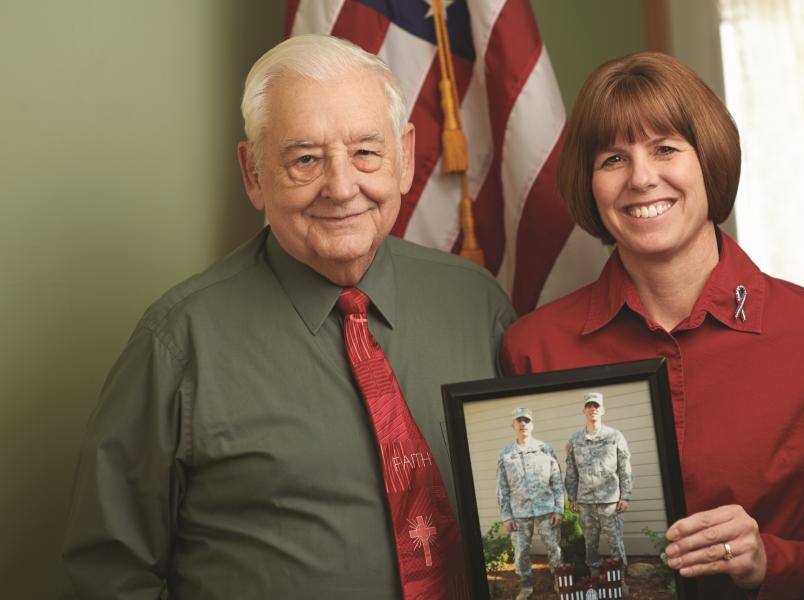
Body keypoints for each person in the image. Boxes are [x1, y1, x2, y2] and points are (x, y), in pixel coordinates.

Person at [59, 35, 516, 599]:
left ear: (404, 158)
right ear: (253, 173)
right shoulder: (178, 342)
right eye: (305, 159)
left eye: (366, 153)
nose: (342, 186)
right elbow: (107, 577)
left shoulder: (477, 305)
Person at [500, 52, 804, 599]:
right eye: (612, 159)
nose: (642, 178)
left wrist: (772, 561)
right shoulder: (533, 347)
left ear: (709, 162)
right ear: (590, 184)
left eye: (666, 149)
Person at [496, 407, 564, 599]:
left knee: (553, 547)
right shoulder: (506, 454)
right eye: (519, 420)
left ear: (532, 424)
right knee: (521, 550)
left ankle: (559, 580)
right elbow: (502, 488)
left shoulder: (545, 449)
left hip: (546, 509)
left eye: (526, 420)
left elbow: (557, 482)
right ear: (513, 425)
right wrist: (506, 516)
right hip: (519, 513)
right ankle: (526, 585)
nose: (523, 424)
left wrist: (559, 510)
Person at [564, 392, 632, 581]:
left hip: (610, 502)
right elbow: (571, 472)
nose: (593, 409)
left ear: (602, 410)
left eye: (596, 406)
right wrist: (572, 497)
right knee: (590, 544)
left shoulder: (615, 436)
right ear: (583, 411)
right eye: (589, 406)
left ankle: (620, 579)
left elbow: (624, 467)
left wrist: (625, 496)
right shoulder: (575, 440)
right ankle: (594, 574)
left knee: (615, 543)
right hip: (585, 502)